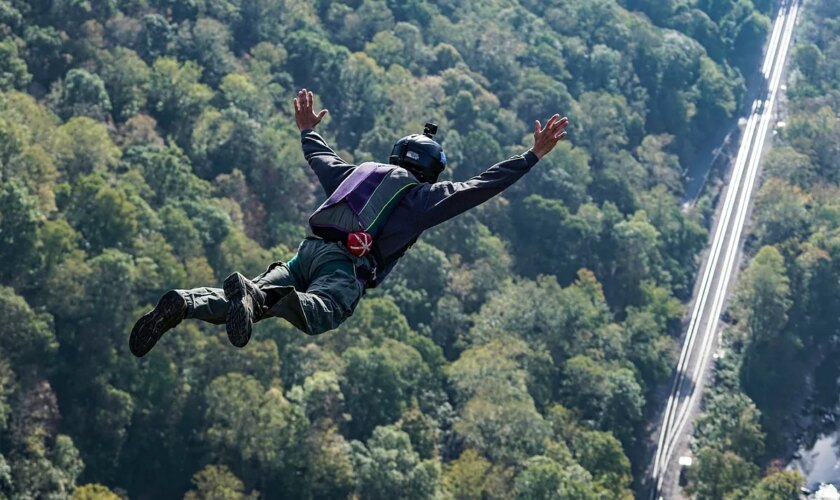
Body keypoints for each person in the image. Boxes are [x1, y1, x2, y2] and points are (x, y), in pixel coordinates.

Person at [129, 89, 569, 357]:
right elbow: (478, 186)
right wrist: (530, 157)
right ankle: (262, 293)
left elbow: (321, 158)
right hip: (343, 268)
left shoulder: (355, 174)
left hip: (305, 252)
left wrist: (307, 130)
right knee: (325, 313)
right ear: (431, 171)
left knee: (247, 307)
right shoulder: (420, 198)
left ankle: (185, 303)